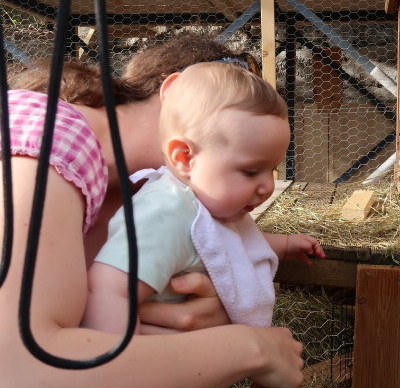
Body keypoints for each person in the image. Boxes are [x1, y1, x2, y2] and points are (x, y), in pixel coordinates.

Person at [0, 35, 305, 387]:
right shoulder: (43, 132)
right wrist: (251, 348)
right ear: (173, 91)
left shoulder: (163, 192)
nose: (264, 185)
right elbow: (21, 366)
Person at [81, 62, 325, 334]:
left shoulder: (204, 208)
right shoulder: (166, 212)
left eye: (272, 169)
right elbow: (107, 289)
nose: (267, 186)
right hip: (156, 360)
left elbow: (219, 242)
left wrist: (285, 244)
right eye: (251, 171)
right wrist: (123, 356)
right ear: (184, 157)